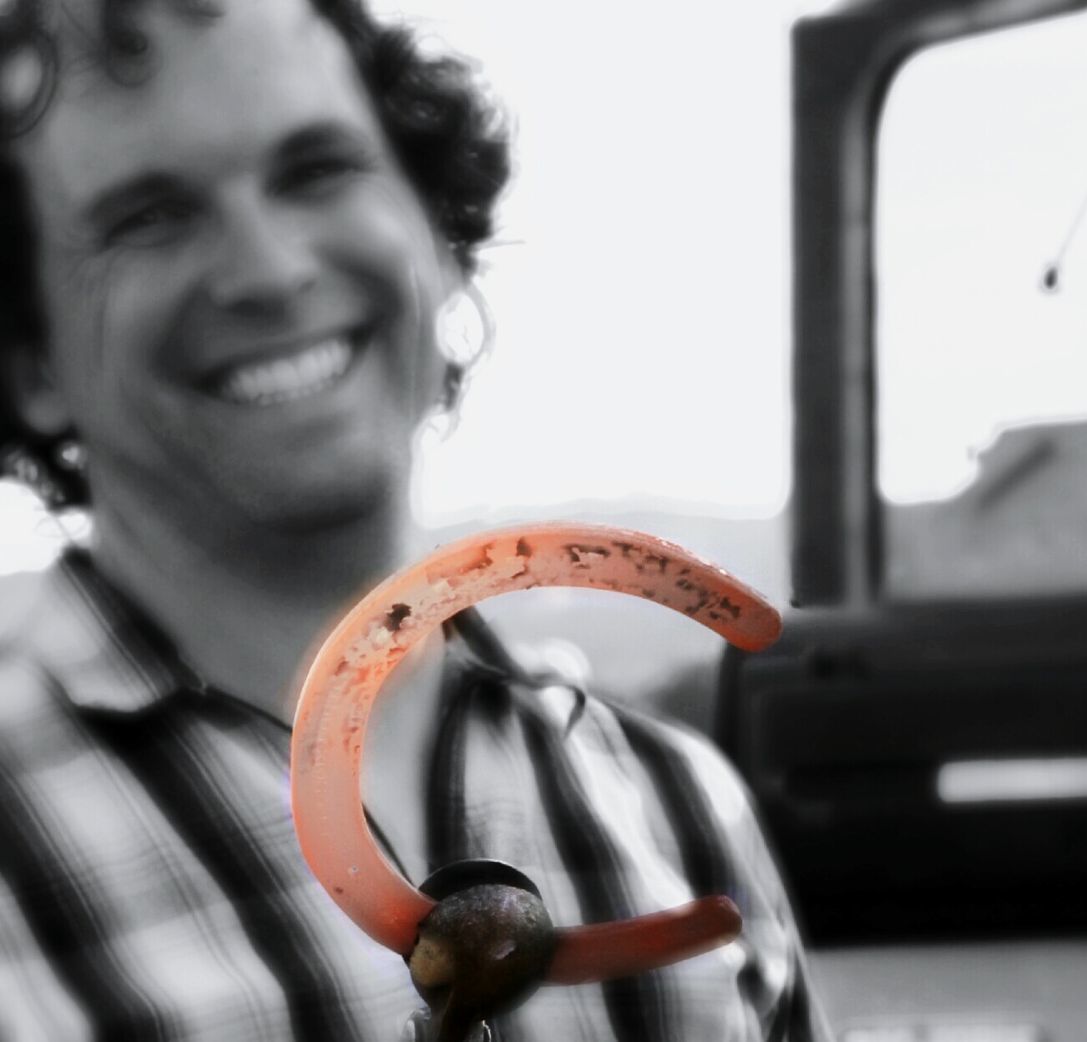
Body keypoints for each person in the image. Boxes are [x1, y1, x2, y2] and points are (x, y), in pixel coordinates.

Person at [0, 1, 832, 1039]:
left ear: (435, 238)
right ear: (27, 356)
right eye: (146, 218)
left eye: (316, 168)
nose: (270, 269)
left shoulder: (674, 804)